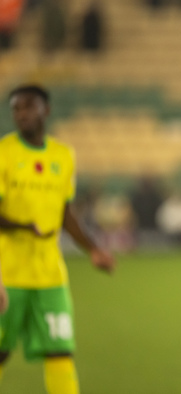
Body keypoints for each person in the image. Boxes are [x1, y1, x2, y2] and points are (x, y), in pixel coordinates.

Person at [0, 85, 116, 394]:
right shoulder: (4, 153)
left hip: (51, 275)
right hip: (7, 273)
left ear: (46, 110)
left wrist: (93, 249)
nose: (21, 114)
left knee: (60, 350)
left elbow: (65, 214)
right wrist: (23, 226)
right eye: (16, 109)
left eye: (28, 107)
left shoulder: (62, 156)